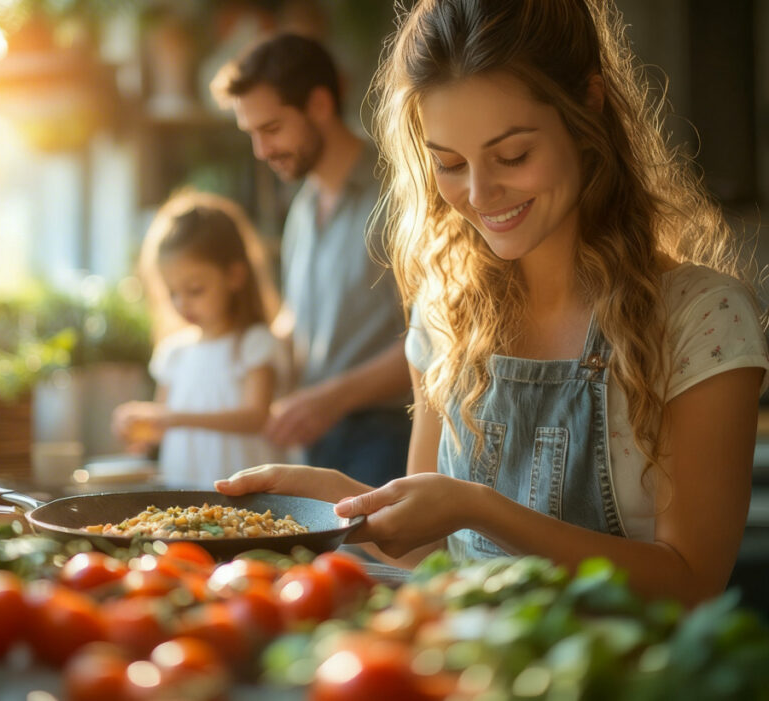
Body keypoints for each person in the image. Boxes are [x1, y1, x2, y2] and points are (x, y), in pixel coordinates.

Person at [216, 0, 769, 606]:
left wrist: (479, 509)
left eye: (513, 156)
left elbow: (690, 584)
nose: (479, 195)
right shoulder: (446, 312)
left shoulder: (702, 318)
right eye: (449, 164)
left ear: (588, 102)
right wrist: (344, 505)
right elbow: (434, 553)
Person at [210, 33, 413, 487]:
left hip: (393, 442)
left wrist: (331, 399)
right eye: (252, 135)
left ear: (319, 104)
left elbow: (439, 337)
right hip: (320, 440)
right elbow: (297, 322)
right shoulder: (302, 208)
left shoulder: (401, 195)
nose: (261, 152)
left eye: (272, 129)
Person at [111, 190, 286, 486]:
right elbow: (162, 423)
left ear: (234, 276)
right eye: (173, 293)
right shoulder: (173, 352)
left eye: (195, 290)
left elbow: (256, 417)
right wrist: (138, 425)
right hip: (184, 491)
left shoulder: (255, 343)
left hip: (248, 498)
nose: (182, 304)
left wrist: (172, 418)